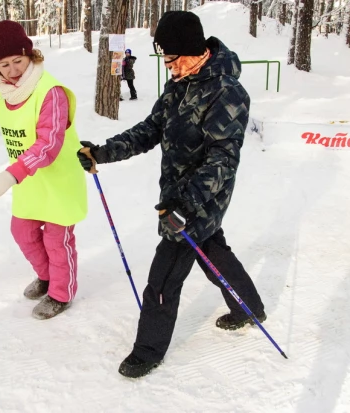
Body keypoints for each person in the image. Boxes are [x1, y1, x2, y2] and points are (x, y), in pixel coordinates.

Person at [76, 11, 266, 378]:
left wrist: (185, 204)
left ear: (195, 52)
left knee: (164, 276)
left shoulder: (227, 92)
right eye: (165, 59)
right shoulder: (179, 85)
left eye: (172, 58)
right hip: (176, 197)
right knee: (213, 252)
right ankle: (248, 307)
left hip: (198, 200)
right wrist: (103, 151)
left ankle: (148, 349)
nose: (169, 67)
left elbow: (222, 159)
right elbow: (150, 129)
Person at [0, 20, 87, 320]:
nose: (13, 69)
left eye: (18, 60)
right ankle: (46, 276)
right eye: (5, 64)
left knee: (57, 239)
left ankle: (61, 292)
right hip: (29, 179)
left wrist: (10, 174)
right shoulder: (3, 93)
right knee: (23, 232)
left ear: (31, 55)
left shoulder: (49, 91)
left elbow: (48, 143)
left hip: (58, 177)